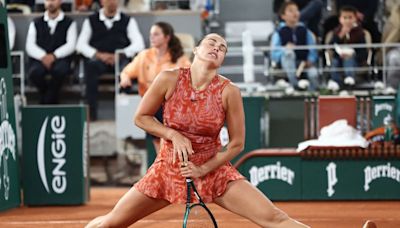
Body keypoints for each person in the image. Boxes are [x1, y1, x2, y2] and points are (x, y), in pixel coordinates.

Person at [85, 33, 309, 228]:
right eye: (212, 43)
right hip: (167, 171)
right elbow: (141, 118)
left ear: (222, 60)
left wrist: (203, 169)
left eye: (222, 49)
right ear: (196, 49)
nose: (217, 49)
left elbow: (237, 143)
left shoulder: (229, 91)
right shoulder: (168, 78)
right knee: (111, 223)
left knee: (275, 218)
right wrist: (173, 134)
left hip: (213, 171)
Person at [119, 21, 191, 153]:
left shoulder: (179, 58)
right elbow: (126, 71)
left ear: (167, 37)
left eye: (156, 34)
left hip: (171, 106)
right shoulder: (144, 55)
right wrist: (125, 78)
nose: (152, 37)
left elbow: (191, 77)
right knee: (157, 138)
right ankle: (163, 164)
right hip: (150, 105)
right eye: (151, 34)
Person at [76, 0, 144, 120]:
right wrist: (99, 55)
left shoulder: (128, 20)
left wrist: (120, 54)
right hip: (99, 59)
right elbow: (81, 45)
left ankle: (125, 115)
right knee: (90, 68)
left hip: (120, 58)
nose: (112, 2)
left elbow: (139, 44)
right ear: (102, 2)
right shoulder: (91, 20)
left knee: (126, 71)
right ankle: (91, 114)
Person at [25, 0, 77, 104]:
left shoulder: (69, 22)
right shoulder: (36, 22)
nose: (50, 3)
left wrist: (54, 56)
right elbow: (29, 45)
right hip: (40, 59)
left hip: (61, 59)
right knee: (35, 73)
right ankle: (50, 101)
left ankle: (45, 102)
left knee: (60, 71)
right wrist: (43, 56)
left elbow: (71, 45)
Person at [270, 1, 319, 91]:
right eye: (291, 11)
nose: (295, 13)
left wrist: (310, 60)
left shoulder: (306, 31)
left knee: (313, 74)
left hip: (304, 64)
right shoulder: (278, 33)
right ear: (283, 16)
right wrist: (284, 49)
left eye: (296, 10)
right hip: (286, 64)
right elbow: (274, 54)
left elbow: (313, 50)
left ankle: (313, 94)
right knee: (288, 53)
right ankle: (295, 85)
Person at [326, 5, 367, 89]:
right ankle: (335, 82)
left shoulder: (359, 33)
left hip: (355, 60)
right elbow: (331, 46)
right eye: (345, 18)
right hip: (338, 58)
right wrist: (340, 35)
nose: (347, 20)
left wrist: (353, 54)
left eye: (350, 17)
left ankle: (350, 79)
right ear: (340, 19)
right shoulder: (336, 32)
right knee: (334, 62)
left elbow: (363, 52)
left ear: (355, 19)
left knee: (349, 60)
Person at [380, 3, 400, 93]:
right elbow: (385, 43)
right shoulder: (392, 22)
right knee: (394, 58)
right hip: (394, 49)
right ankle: (392, 87)